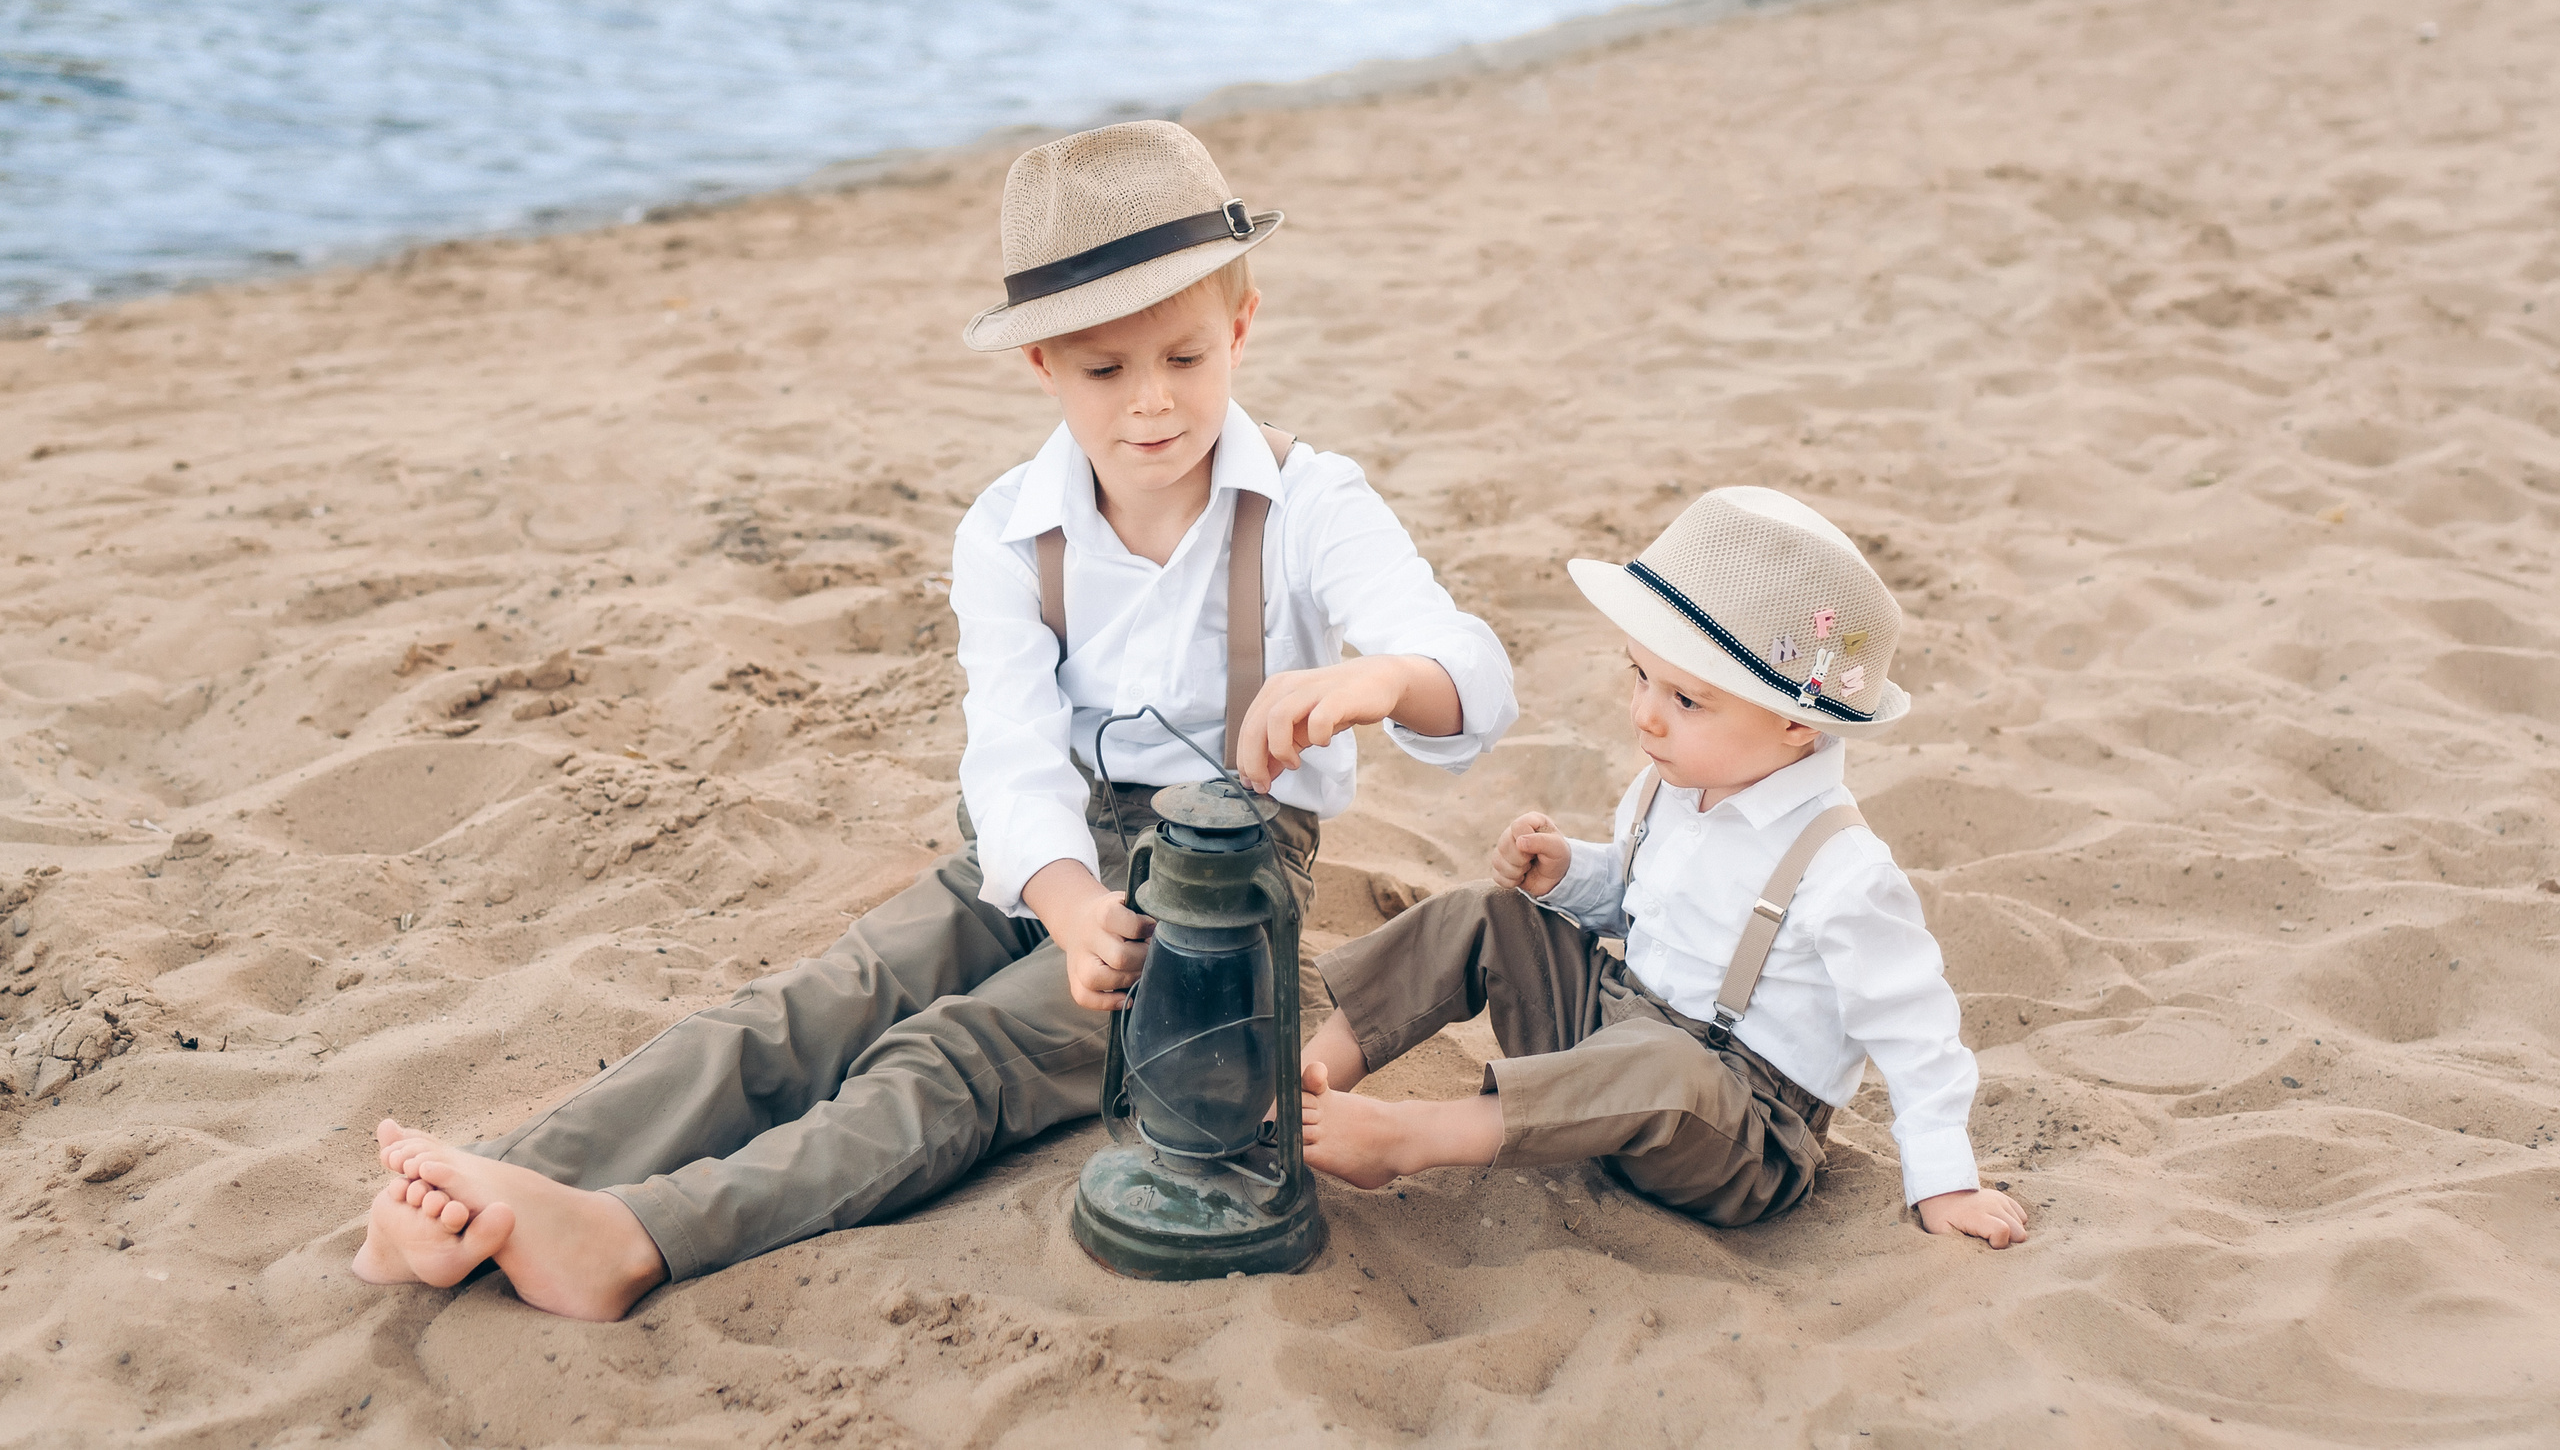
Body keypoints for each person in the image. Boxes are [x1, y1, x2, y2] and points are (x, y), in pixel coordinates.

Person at [350, 121, 1519, 1317]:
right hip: (1037, 861)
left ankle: (634, 1237)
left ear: (1240, 327)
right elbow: (1010, 761)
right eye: (1105, 372)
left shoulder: (1311, 503)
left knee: (955, 1058)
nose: (1153, 404)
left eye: (1182, 356)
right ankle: (514, 1181)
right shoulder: (1010, 530)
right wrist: (1065, 907)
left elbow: (1468, 673)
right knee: (812, 1007)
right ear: (1045, 370)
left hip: (1222, 903)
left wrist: (1376, 681)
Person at [1296, 485, 2029, 1246]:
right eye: (1639, 675)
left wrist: (1947, 1181)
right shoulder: (1669, 787)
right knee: (1486, 912)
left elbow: (1917, 1030)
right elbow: (1647, 901)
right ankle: (1308, 1083)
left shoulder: (1844, 871)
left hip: (1738, 1126)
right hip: (1618, 1025)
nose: (1645, 712)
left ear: (1793, 725)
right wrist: (1569, 875)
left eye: (1685, 698)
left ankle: (1411, 1137)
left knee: (1659, 1063)